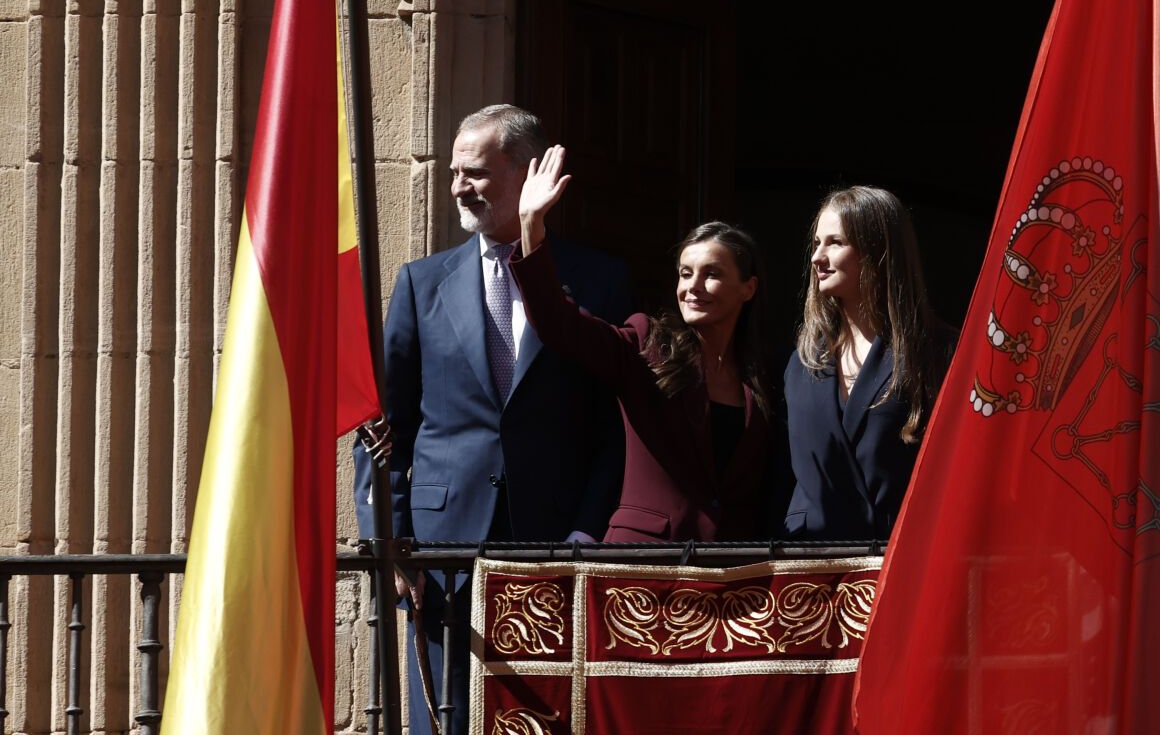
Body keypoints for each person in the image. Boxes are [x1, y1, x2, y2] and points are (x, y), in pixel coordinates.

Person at [354, 104, 630, 735]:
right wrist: (389, 540)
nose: (458, 187)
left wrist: (588, 535)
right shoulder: (423, 284)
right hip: (443, 555)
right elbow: (383, 427)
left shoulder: (597, 280)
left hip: (556, 550)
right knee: (444, 720)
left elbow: (613, 427)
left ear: (527, 173)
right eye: (454, 172)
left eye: (474, 172)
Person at [511, 143, 780, 541]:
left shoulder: (765, 372)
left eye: (712, 274)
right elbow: (560, 325)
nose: (693, 287)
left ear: (748, 288)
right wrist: (531, 227)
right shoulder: (648, 343)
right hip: (646, 564)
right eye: (685, 273)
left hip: (734, 573)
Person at [783, 185, 947, 539]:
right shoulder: (803, 361)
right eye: (816, 243)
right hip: (809, 566)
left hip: (897, 556)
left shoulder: (937, 352)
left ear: (878, 251)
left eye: (835, 243)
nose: (817, 257)